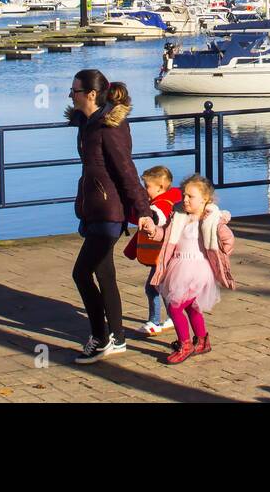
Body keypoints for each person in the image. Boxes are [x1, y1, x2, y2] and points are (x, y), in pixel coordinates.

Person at [65, 69, 153, 364]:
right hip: (93, 208)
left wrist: (143, 211)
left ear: (91, 94)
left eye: (74, 91)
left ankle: (100, 338)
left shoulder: (109, 127)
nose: (70, 95)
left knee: (81, 273)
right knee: (104, 274)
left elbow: (126, 170)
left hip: (108, 211)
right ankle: (117, 337)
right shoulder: (88, 123)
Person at [145, 174, 236, 365]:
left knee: (175, 306)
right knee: (192, 307)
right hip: (179, 266)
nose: (185, 200)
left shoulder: (212, 220)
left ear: (204, 199)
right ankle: (202, 340)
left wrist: (222, 253)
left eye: (190, 197)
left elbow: (228, 239)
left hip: (197, 269)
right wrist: (154, 231)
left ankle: (185, 344)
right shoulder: (178, 216)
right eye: (184, 195)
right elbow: (166, 234)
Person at [122, 165, 183, 336]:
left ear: (161, 187)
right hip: (164, 254)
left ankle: (155, 321)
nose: (145, 190)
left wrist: (147, 217)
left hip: (162, 254)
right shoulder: (171, 199)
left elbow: (157, 216)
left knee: (152, 287)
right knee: (162, 287)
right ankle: (172, 317)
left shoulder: (162, 204)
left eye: (147, 187)